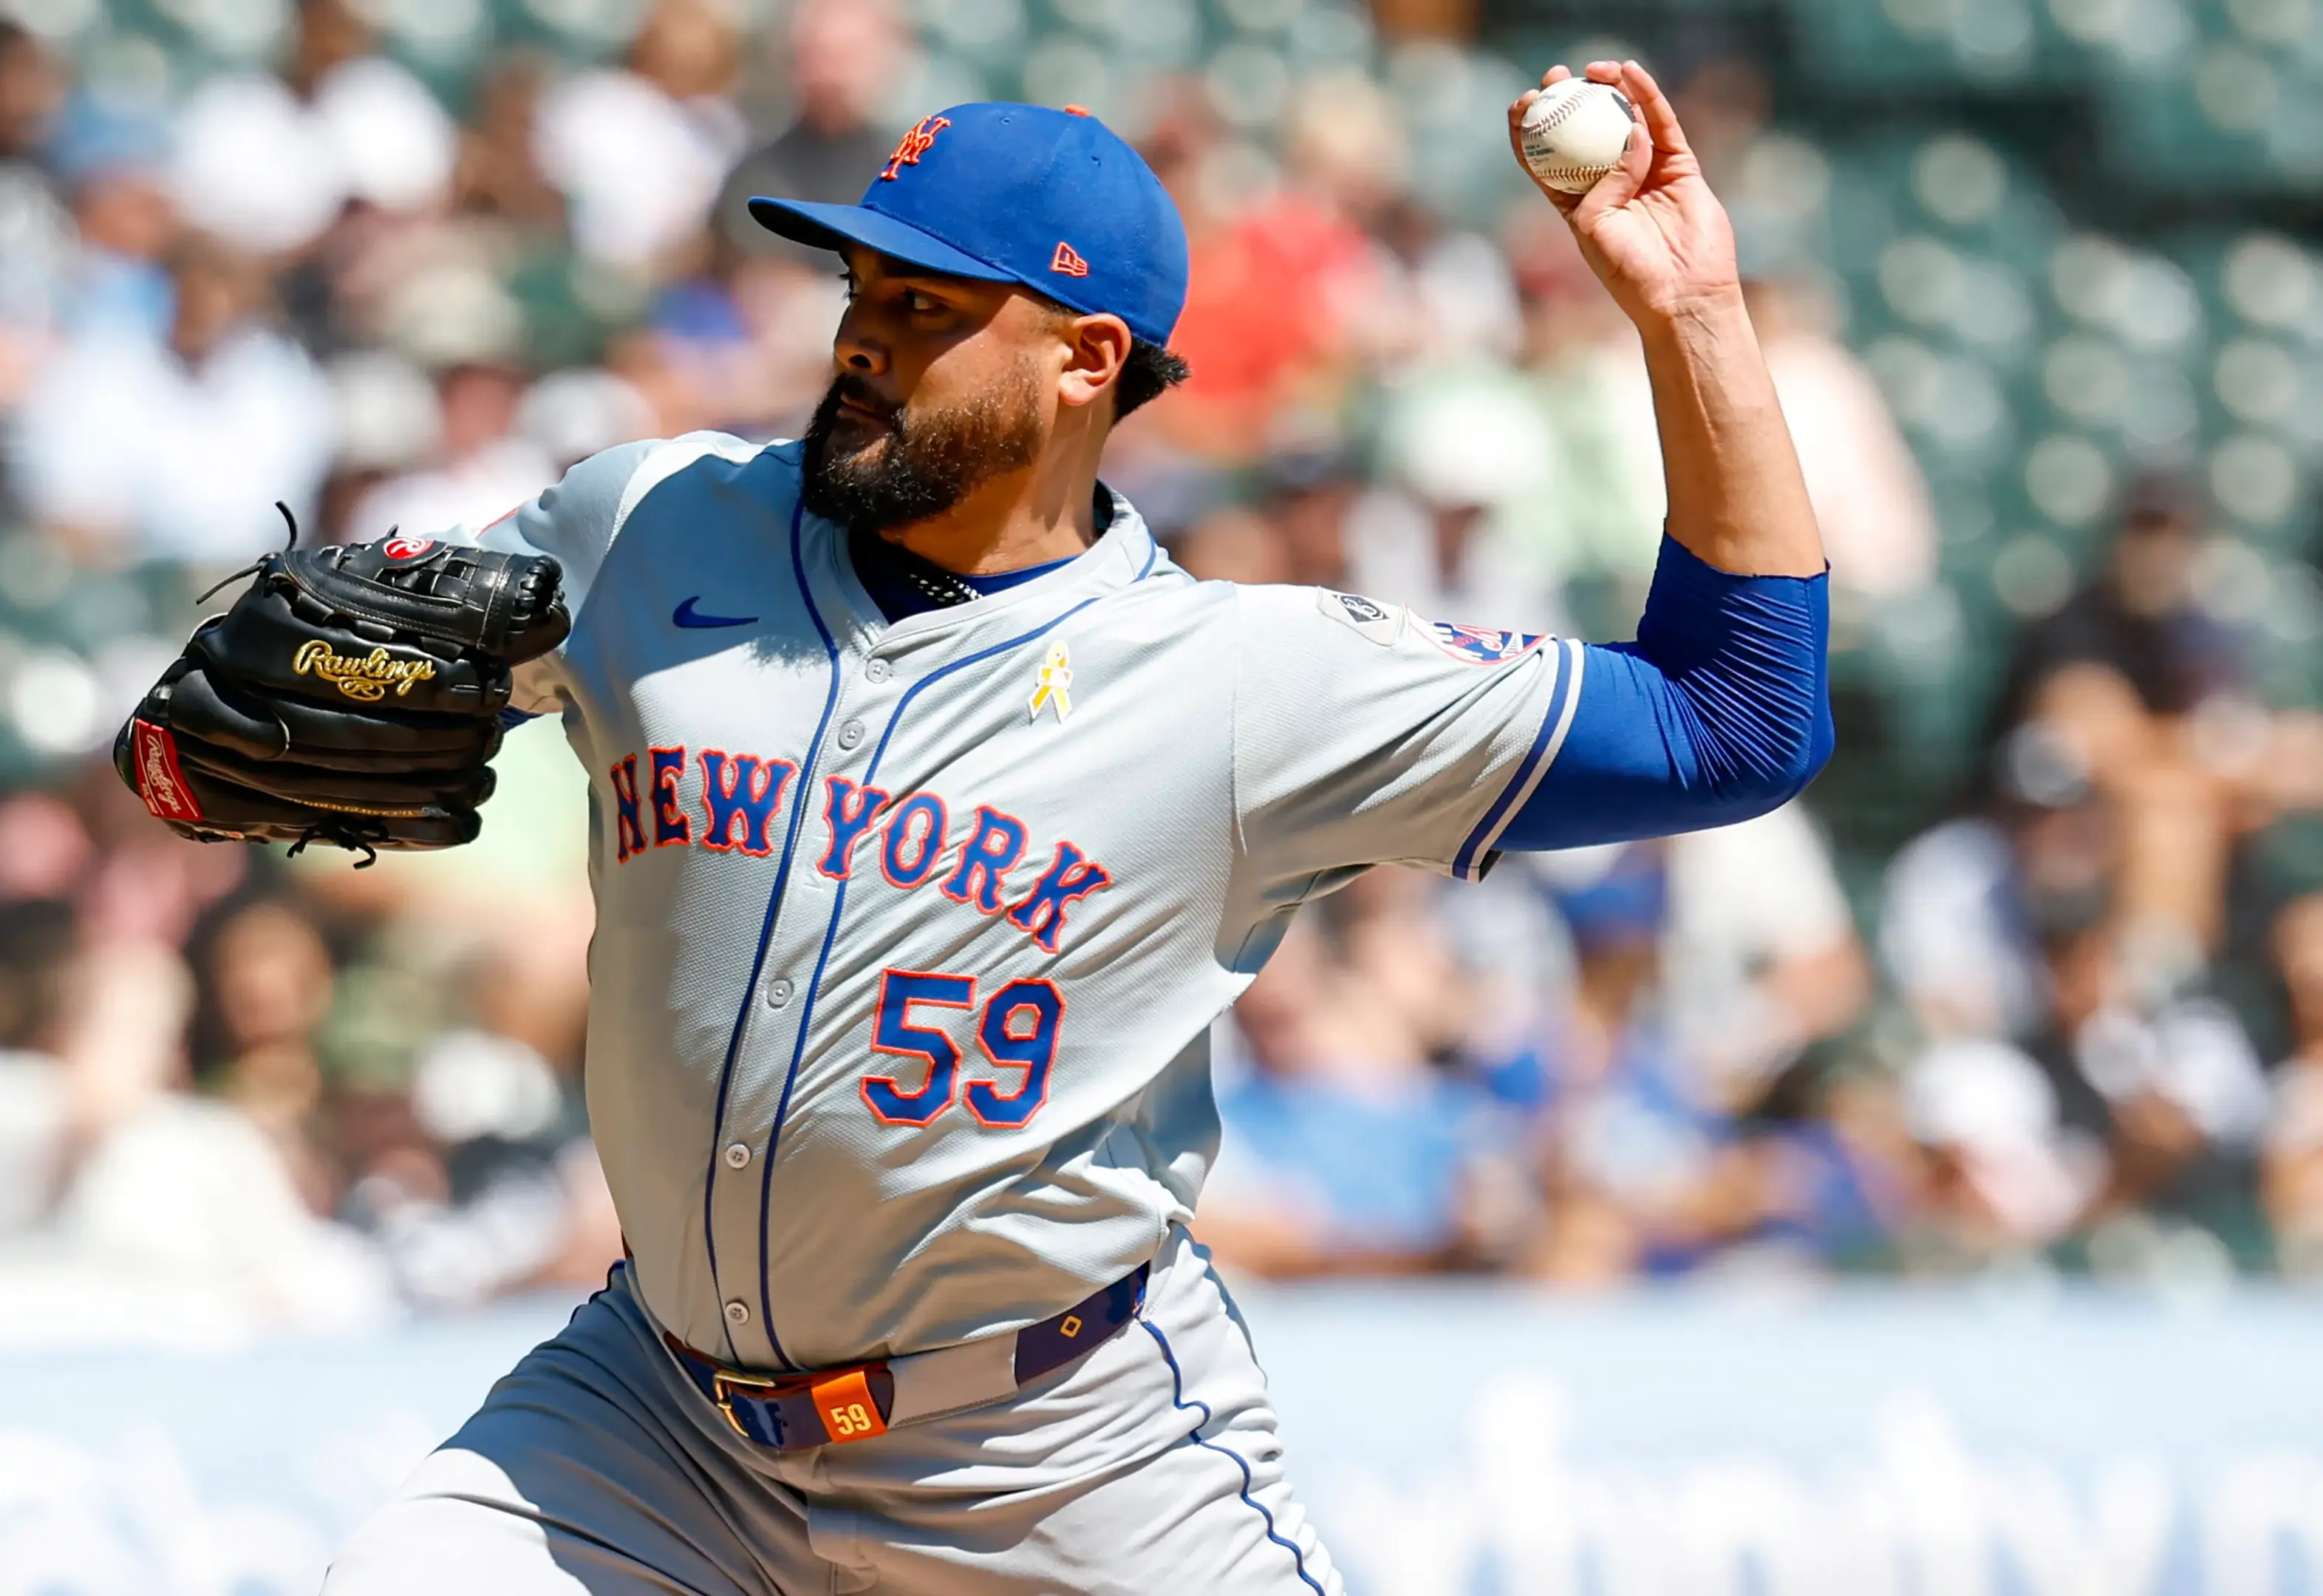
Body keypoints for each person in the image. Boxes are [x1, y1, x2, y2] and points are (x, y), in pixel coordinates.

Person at [318, 64, 1829, 1593]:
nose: (862, 336)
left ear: (1086, 361)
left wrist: (1693, 315)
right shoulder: (649, 522)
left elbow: (1739, 722)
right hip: (655, 1426)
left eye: (929, 309)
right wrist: (226, 722)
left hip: (1059, 1460)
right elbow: (308, 684)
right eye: (863, 285)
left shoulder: (1243, 685)